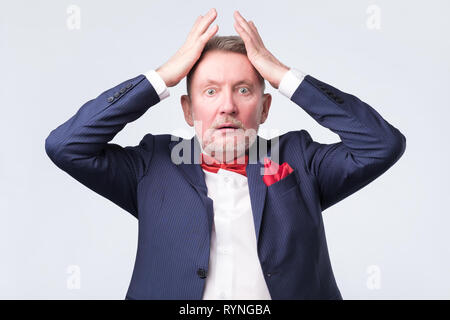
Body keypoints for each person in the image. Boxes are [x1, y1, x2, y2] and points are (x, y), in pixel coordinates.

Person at [45, 8, 406, 300]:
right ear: (187, 110)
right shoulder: (150, 164)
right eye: (211, 91)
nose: (228, 106)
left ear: (265, 108)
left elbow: (382, 144)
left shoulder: (299, 157)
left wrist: (282, 76)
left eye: (244, 90)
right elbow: (66, 146)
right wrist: (163, 77)